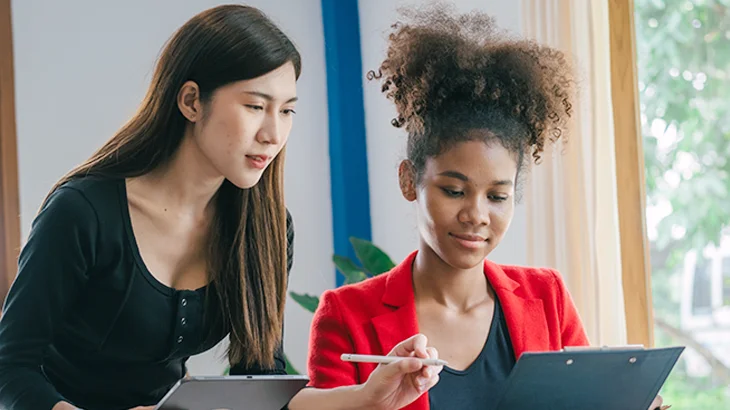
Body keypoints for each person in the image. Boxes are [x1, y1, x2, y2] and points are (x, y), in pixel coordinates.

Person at [0, 5, 440, 410]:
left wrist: (368, 395)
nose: (273, 133)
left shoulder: (266, 227)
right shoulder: (82, 213)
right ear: (191, 101)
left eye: (287, 111)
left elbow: (264, 387)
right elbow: (11, 370)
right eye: (255, 106)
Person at [306, 4, 668, 410]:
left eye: (497, 196)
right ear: (410, 180)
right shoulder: (347, 315)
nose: (476, 215)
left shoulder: (546, 296)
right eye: (455, 190)